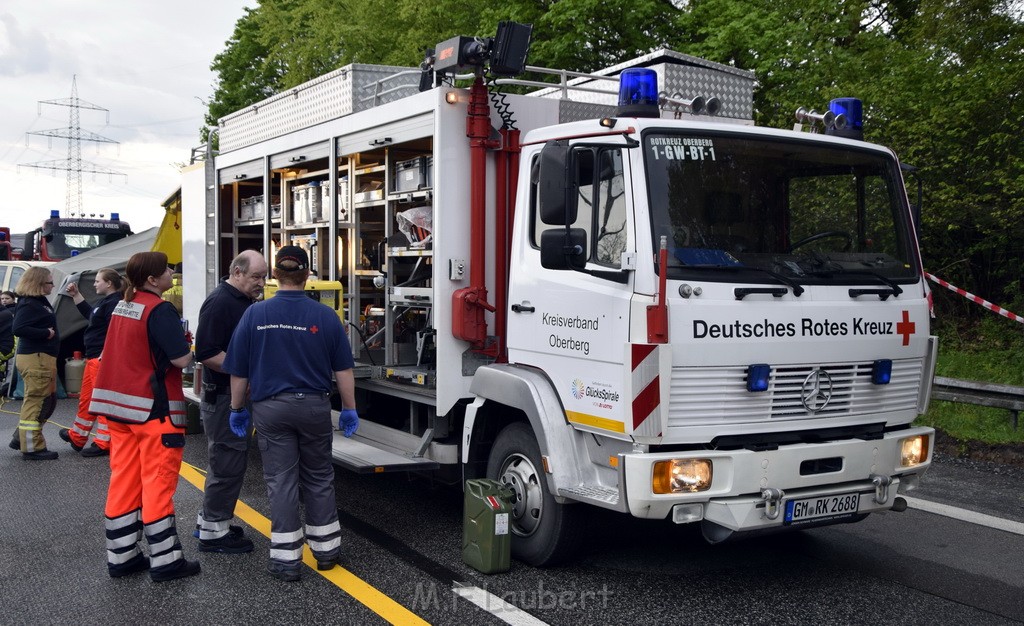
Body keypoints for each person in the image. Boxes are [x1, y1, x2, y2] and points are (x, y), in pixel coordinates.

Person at [223, 245, 359, 582]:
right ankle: (327, 551)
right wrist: (350, 409)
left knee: (281, 481)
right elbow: (343, 370)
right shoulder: (326, 317)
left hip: (271, 409)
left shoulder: (255, 314)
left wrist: (236, 408)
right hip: (314, 406)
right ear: (307, 276)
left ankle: (286, 561)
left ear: (274, 276)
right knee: (318, 477)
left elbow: (238, 372)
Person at [88, 251, 200, 582]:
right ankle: (165, 562)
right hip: (155, 412)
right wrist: (195, 348)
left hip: (121, 414)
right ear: (152, 279)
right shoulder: (159, 309)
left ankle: (122, 557)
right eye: (166, 270)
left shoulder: (125, 305)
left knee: (123, 481)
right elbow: (181, 361)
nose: (171, 273)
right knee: (157, 484)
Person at [193, 249, 267, 553]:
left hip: (228, 396)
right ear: (236, 273)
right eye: (256, 277)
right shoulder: (221, 302)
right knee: (227, 463)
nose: (261, 283)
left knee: (229, 462)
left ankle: (212, 522)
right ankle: (214, 533)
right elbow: (207, 352)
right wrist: (244, 374)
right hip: (224, 398)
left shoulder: (241, 301)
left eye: (264, 277)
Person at [58, 269, 124, 457]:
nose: (94, 284)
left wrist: (106, 354)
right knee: (87, 399)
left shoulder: (114, 303)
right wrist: (76, 296)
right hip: (93, 357)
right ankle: (77, 436)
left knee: (102, 402)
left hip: (101, 358)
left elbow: (115, 331)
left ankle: (104, 443)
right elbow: (91, 315)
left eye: (97, 281)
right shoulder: (104, 302)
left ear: (109, 284)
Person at [11, 267, 59, 460]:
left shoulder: (38, 302)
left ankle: (20, 438)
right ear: (38, 283)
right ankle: (32, 448)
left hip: (42, 357)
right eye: (49, 282)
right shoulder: (30, 304)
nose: (52, 285)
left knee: (48, 401)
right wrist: (45, 333)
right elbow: (19, 328)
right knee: (37, 401)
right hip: (36, 357)